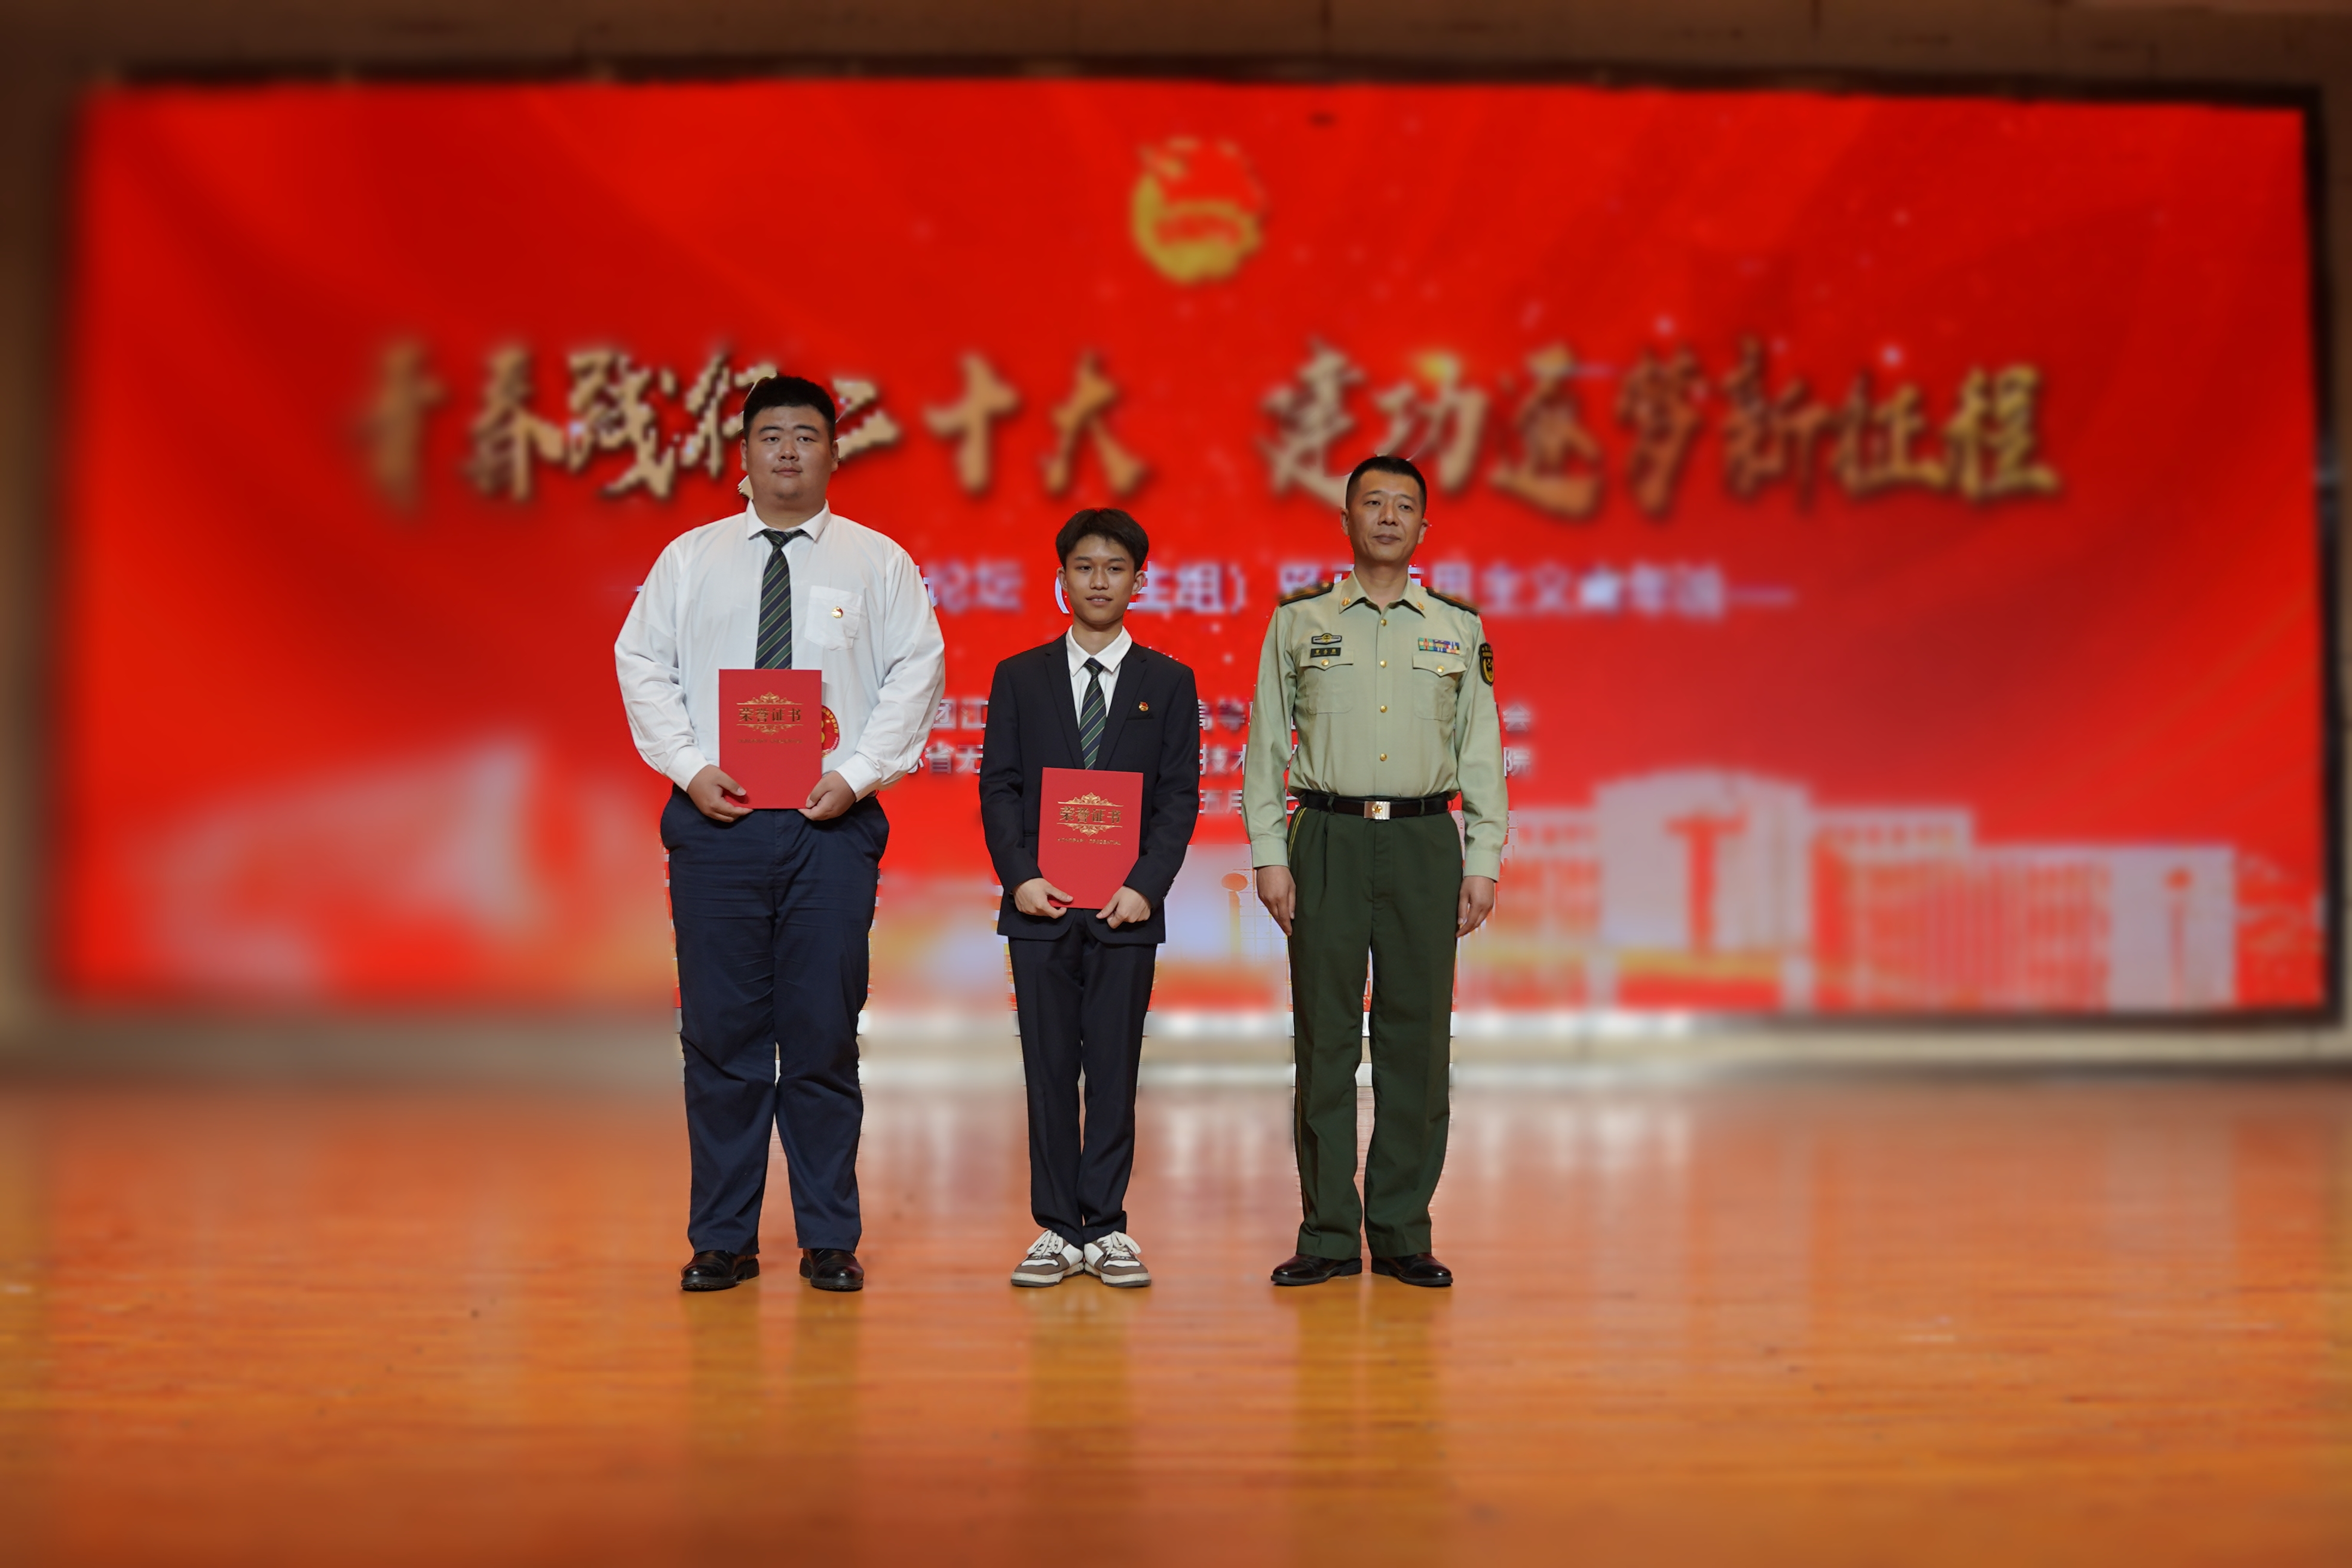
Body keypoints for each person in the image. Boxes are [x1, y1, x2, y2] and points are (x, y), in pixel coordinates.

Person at [615, 374, 946, 1294]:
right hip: (717, 825)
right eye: (772, 436)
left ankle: (828, 1235)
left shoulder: (878, 563)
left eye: (806, 435)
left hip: (828, 827)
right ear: (745, 453)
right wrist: (691, 766)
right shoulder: (690, 560)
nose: (789, 451)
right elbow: (641, 662)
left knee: (822, 1032)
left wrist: (857, 774)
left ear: (834, 451)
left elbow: (916, 672)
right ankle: (722, 1237)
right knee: (719, 1035)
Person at [1240, 454, 1505, 1289]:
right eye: (1373, 503)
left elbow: (1482, 750)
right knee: (1323, 1039)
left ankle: (1399, 1229)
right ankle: (1326, 1232)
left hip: (1426, 842)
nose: (1388, 517)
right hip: (1327, 836)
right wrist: (1270, 853)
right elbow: (1265, 747)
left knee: (1416, 1042)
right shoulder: (1298, 622)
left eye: (1404, 506)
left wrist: (1484, 857)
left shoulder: (1458, 628)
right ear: (1347, 520)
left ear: (1424, 526)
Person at [979, 509, 1200, 1289]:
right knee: (1047, 1072)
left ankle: (1104, 1227)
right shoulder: (1020, 676)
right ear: (1061, 579)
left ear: (1139, 582)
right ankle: (1055, 1229)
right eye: (1084, 567)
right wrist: (1020, 877)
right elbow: (1000, 788)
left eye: (1115, 568)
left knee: (1114, 1069)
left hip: (1124, 912)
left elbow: (1178, 797)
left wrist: (1146, 886)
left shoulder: (1169, 682)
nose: (1099, 581)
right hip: (1039, 909)